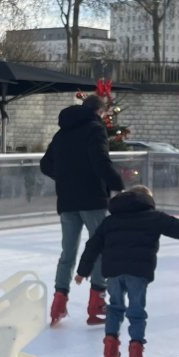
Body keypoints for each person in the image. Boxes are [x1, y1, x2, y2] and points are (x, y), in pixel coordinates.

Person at [74, 185, 179, 357]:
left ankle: (110, 352)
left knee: (114, 308)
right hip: (138, 272)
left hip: (113, 272)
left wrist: (82, 271)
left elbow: (92, 245)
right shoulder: (154, 217)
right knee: (136, 312)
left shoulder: (110, 221)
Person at [40, 95, 125, 326]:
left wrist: (66, 177)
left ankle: (58, 305)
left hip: (67, 199)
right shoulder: (95, 130)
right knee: (99, 247)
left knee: (68, 252)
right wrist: (117, 185)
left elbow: (45, 164)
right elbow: (100, 162)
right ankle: (97, 305)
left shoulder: (62, 132)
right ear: (99, 111)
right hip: (92, 198)